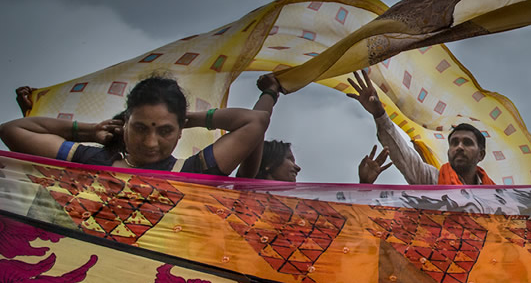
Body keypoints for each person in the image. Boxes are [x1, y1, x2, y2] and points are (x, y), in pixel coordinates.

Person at [0, 75, 269, 176]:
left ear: (179, 132)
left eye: (165, 131)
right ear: (125, 123)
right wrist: (90, 131)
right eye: (140, 128)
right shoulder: (88, 159)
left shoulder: (193, 171)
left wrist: (188, 118)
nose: (151, 143)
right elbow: (11, 130)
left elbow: (255, 121)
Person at [234, 74, 393, 184]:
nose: (298, 167)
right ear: (267, 164)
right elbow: (255, 127)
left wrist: (364, 185)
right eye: (289, 159)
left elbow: (347, 228)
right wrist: (270, 92)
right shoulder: (244, 190)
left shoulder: (302, 210)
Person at [346, 69, 494, 185]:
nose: (459, 147)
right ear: (449, 152)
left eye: (467, 142)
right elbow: (403, 156)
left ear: (481, 155)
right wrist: (379, 113)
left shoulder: (498, 197)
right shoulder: (433, 180)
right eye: (454, 143)